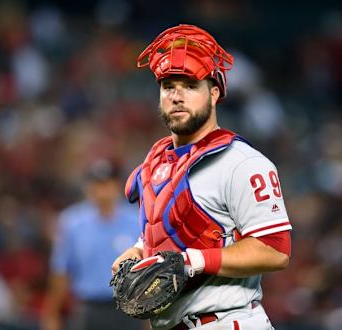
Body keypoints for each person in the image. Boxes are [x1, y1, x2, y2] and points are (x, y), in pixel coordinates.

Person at [111, 24, 292, 330]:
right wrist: (139, 250)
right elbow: (169, 229)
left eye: (190, 85)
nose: (177, 96)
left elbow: (275, 250)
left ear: (215, 92)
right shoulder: (156, 162)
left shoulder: (241, 163)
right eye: (169, 87)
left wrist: (193, 261)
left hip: (227, 321)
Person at [42, 159, 144, 330]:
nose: (102, 190)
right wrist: (52, 315)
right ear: (88, 187)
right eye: (97, 184)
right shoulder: (72, 222)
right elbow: (60, 272)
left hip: (129, 308)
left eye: (107, 184)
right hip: (88, 308)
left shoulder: (136, 220)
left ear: (117, 185)